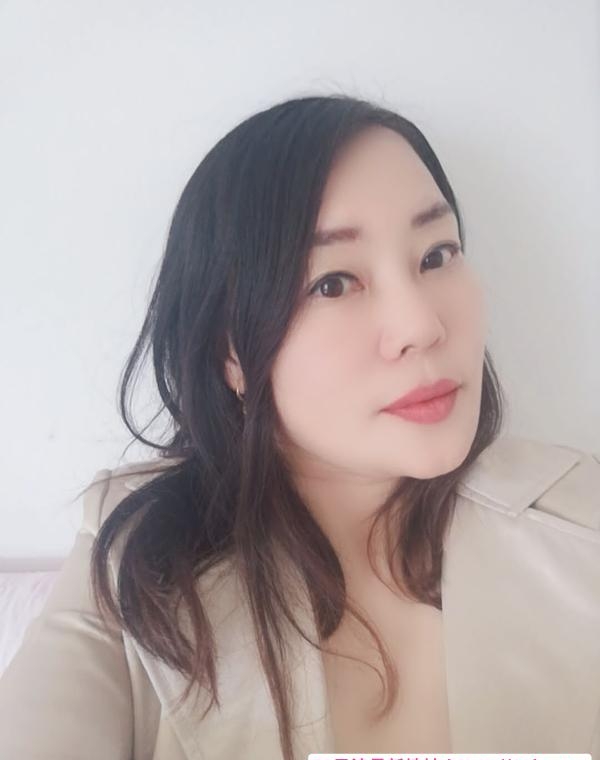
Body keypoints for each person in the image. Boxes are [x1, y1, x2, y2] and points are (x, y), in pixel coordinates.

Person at [0, 94, 598, 760]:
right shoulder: (133, 558)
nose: (422, 325)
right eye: (334, 283)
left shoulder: (582, 511)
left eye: (436, 255)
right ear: (231, 352)